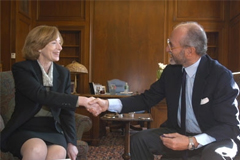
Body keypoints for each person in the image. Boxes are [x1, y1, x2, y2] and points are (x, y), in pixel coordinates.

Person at [89, 21, 240, 160]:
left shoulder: (220, 76)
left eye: (171, 45)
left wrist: (192, 141)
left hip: (213, 137)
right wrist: (107, 104)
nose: (167, 49)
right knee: (139, 140)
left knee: (214, 157)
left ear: (189, 51)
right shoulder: (171, 72)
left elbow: (231, 126)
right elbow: (146, 99)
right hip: (179, 132)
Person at [0, 25, 97, 160]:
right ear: (39, 46)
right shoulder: (22, 69)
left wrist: (71, 142)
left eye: (60, 43)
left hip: (52, 129)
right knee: (37, 149)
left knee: (58, 153)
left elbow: (66, 112)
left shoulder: (63, 73)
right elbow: (40, 94)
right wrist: (79, 100)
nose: (60, 47)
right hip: (25, 127)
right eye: (54, 43)